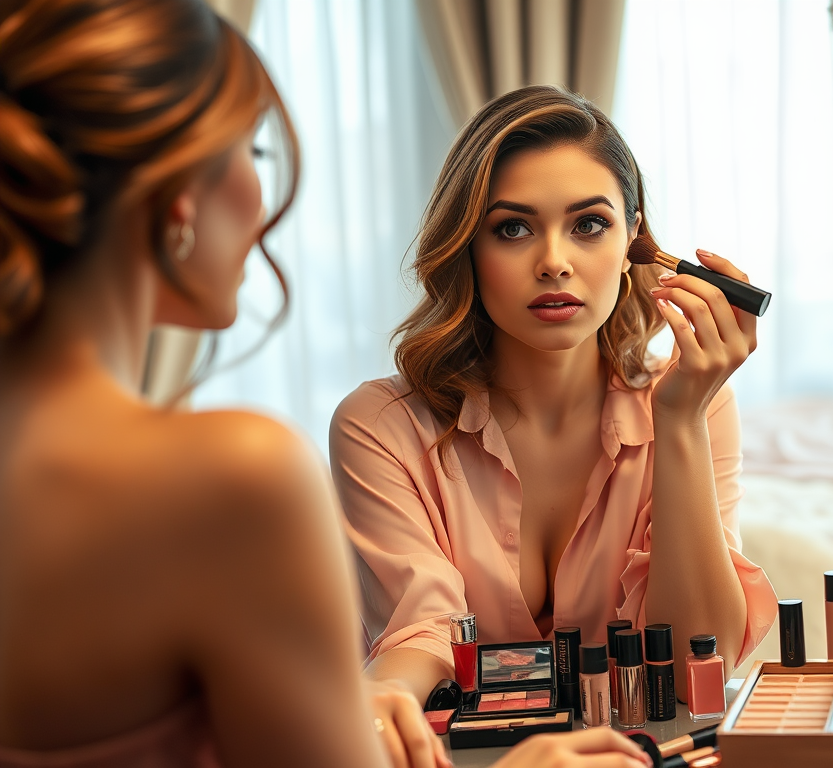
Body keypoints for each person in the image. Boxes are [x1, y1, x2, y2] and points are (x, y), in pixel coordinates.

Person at [0, 3, 654, 767]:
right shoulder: (238, 472)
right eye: (250, 151)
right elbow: (420, 626)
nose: (261, 198)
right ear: (179, 199)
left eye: (589, 224)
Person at [331, 85, 777, 706]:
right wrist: (377, 710)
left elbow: (694, 665)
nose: (554, 261)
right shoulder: (379, 426)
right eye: (512, 228)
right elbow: (421, 633)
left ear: (632, 243)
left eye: (589, 224)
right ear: (468, 247)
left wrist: (678, 421)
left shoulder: (689, 401)